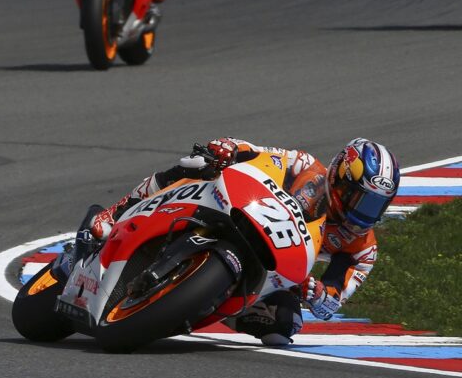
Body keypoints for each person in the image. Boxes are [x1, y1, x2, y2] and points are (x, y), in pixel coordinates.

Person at [84, 136, 400, 345]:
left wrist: (316, 293)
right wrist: (229, 149)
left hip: (278, 261)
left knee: (283, 327)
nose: (363, 212)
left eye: (374, 205)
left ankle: (203, 305)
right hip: (245, 210)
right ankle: (116, 212)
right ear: (340, 178)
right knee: (198, 164)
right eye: (359, 199)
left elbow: (332, 302)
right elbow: (259, 154)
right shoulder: (306, 167)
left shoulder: (363, 248)